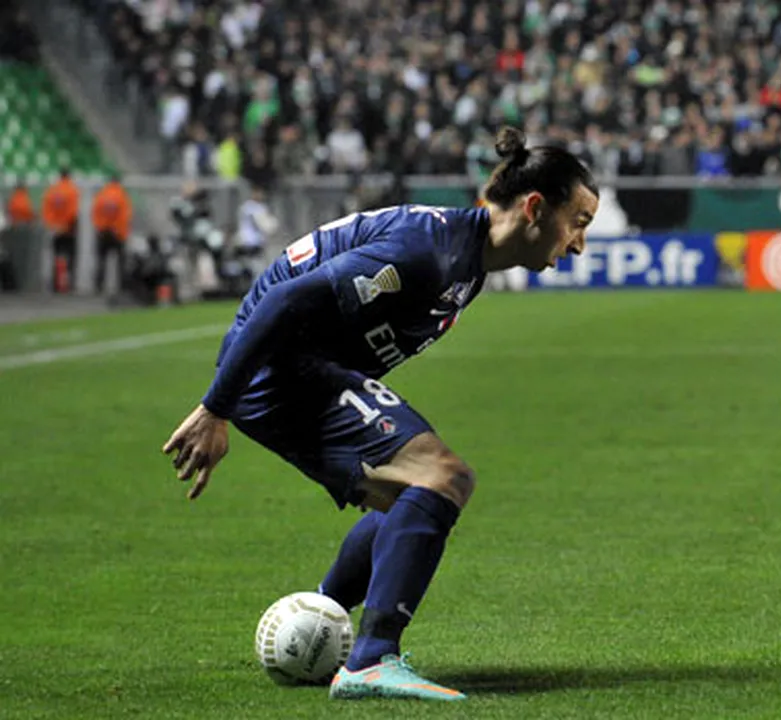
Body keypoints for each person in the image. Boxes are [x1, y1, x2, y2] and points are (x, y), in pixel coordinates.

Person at [161, 127, 598, 701]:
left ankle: (318, 619)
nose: (579, 243)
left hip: (297, 370)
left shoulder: (465, 260)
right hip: (279, 368)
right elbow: (284, 299)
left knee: (413, 500)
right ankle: (371, 660)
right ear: (535, 208)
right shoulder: (429, 252)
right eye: (579, 222)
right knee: (442, 477)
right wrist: (215, 408)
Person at [91, 174, 133, 296]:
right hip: (117, 234)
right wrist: (119, 231)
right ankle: (122, 287)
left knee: (101, 261)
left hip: (103, 232)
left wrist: (101, 227)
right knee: (121, 262)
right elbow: (125, 216)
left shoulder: (101, 195)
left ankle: (98, 286)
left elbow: (95, 213)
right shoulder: (122, 195)